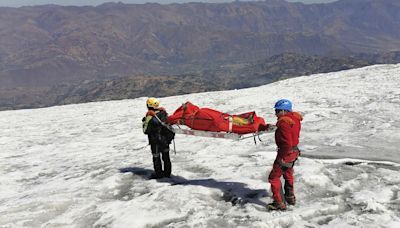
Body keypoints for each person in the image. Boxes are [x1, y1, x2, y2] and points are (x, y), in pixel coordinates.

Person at [267, 99, 303, 211]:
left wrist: (281, 158)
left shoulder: (283, 123)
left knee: (273, 177)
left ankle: (279, 203)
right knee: (288, 173)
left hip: (286, 153)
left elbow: (287, 143)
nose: (276, 113)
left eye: (277, 110)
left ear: (283, 110)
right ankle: (290, 197)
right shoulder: (294, 119)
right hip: (294, 152)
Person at [142, 97, 175, 179]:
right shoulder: (163, 113)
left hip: (155, 141)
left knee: (156, 157)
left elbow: (145, 130)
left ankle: (159, 174)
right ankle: (167, 174)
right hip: (165, 140)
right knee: (166, 157)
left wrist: (144, 121)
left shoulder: (150, 116)